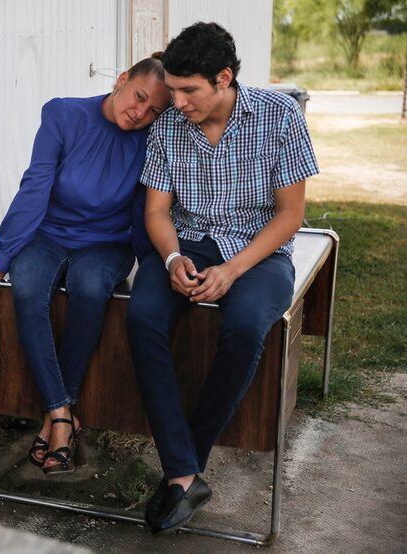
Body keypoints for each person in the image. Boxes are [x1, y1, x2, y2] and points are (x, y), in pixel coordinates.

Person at [127, 22, 319, 535]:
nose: (178, 101)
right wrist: (170, 261)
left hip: (258, 251)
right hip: (185, 243)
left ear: (224, 78)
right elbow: (157, 213)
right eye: (173, 89)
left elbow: (290, 215)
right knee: (141, 315)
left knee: (247, 326)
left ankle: (184, 465)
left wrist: (232, 270)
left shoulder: (279, 116)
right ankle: (185, 475)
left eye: (189, 90)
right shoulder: (169, 125)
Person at [0, 56, 170, 475]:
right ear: (122, 80)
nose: (140, 113)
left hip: (107, 243)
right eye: (139, 98)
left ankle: (55, 418)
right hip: (48, 234)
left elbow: (144, 209)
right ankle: (62, 414)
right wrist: (2, 259)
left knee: (92, 288)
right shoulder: (63, 114)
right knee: (26, 288)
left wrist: (154, 269)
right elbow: (35, 186)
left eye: (154, 110)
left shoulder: (154, 139)